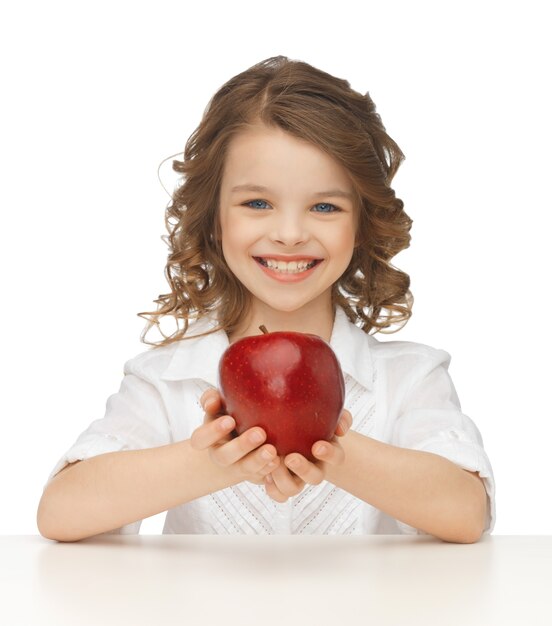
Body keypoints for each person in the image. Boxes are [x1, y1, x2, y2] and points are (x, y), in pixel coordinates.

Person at [37, 55, 495, 543]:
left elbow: (466, 514)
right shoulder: (166, 380)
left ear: (361, 225)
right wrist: (214, 458)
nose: (290, 234)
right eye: (258, 203)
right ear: (214, 217)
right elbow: (61, 513)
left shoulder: (407, 378)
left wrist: (330, 447)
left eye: (324, 206)